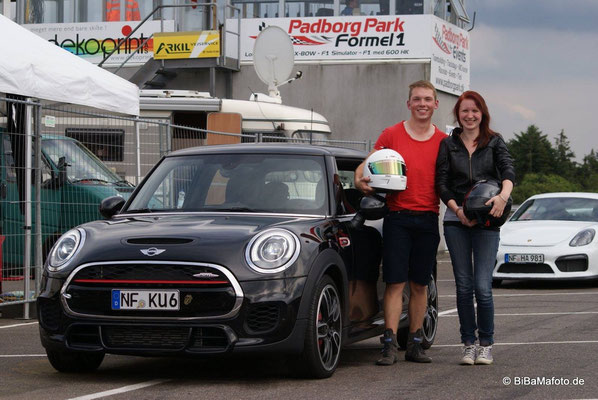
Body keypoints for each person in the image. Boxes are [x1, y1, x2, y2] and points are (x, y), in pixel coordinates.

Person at [355, 80, 446, 365]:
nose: (422, 104)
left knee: (419, 285)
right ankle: (389, 344)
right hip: (397, 219)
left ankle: (415, 343)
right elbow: (366, 164)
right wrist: (359, 180)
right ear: (409, 103)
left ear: (435, 104)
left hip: (429, 219)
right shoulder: (392, 134)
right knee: (394, 283)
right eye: (417, 99)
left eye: (427, 99)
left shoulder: (444, 141)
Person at [435, 90, 515, 365]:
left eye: (475, 110)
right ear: (458, 114)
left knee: (483, 286)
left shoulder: (494, 142)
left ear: (483, 113)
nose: (470, 116)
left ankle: (486, 344)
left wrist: (503, 197)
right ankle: (468, 343)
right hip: (456, 221)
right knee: (463, 286)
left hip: (487, 220)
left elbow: (508, 172)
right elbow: (442, 184)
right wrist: (457, 210)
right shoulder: (448, 144)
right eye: (464, 111)